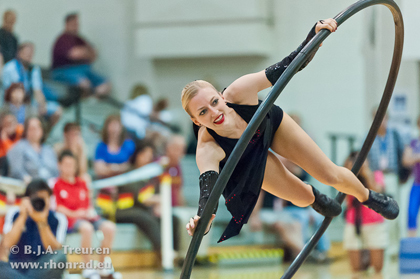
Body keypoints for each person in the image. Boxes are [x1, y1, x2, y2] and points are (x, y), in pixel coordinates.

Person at [183, 19, 399, 241]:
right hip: (248, 159)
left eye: (214, 102)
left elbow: (288, 66)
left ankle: (369, 197)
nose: (213, 112)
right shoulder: (207, 148)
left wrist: (313, 37)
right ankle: (316, 199)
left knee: (329, 174)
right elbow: (208, 193)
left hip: (272, 126)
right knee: (301, 197)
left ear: (220, 95)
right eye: (202, 112)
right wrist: (202, 220)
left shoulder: (239, 90)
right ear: (196, 121)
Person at [54, 150, 119, 279]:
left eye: (72, 164)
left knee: (110, 227)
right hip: (71, 219)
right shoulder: (57, 184)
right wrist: (75, 213)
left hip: (87, 216)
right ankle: (87, 267)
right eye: (66, 164)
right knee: (86, 228)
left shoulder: (82, 182)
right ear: (59, 165)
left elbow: (88, 203)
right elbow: (58, 208)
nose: (69, 168)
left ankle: (102, 266)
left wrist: (89, 212)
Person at [1, 179, 68, 279]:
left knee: (60, 257)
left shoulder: (58, 218)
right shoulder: (15, 213)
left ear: (50, 199)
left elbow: (54, 250)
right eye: (36, 199)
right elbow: (6, 246)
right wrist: (23, 216)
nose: (39, 203)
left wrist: (42, 222)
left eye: (43, 199)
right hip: (16, 268)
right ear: (27, 199)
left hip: (43, 269)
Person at [343, 151, 387, 276]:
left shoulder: (376, 174)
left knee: (378, 268)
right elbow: (344, 196)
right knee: (356, 270)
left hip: (374, 223)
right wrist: (349, 173)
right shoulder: (348, 178)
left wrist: (367, 173)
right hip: (353, 223)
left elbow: (379, 193)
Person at [51, 13, 110, 97]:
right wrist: (86, 52)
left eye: (77, 24)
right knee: (84, 83)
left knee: (105, 84)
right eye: (74, 24)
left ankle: (93, 101)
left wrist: (83, 52)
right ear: (67, 24)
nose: (76, 26)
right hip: (65, 71)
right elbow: (74, 54)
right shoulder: (62, 39)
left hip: (85, 70)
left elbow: (94, 55)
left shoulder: (80, 39)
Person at [2, 42, 62, 126]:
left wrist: (42, 104)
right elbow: (7, 92)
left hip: (30, 104)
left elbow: (37, 90)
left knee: (57, 110)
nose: (29, 55)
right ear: (19, 53)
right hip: (13, 103)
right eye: (26, 52)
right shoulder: (9, 68)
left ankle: (43, 135)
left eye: (31, 53)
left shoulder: (34, 69)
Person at [7, 116, 59, 184]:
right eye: (31, 128)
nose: (35, 131)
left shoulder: (49, 150)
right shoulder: (18, 147)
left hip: (49, 186)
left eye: (37, 128)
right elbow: (16, 171)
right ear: (26, 131)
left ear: (42, 130)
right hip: (28, 187)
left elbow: (56, 172)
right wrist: (26, 179)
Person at [94, 114, 136, 179]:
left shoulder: (129, 144)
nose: (114, 129)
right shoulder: (101, 147)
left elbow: (132, 165)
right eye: (111, 125)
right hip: (107, 181)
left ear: (121, 128)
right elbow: (99, 169)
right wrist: (119, 168)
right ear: (106, 128)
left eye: (116, 125)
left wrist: (110, 167)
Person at [403, 115, 420, 237]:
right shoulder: (414, 143)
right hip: (417, 183)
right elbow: (406, 159)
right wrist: (417, 157)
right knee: (411, 213)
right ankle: (412, 240)